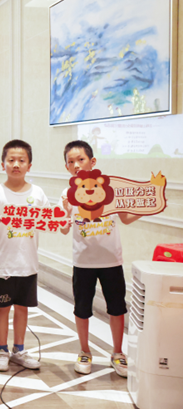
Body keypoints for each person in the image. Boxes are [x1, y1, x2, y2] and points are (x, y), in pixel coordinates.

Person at [59, 140, 138, 378]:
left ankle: (118, 353)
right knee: (82, 309)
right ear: (66, 167)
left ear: (92, 161)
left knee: (117, 308)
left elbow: (126, 218)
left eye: (80, 159)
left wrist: (149, 208)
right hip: (83, 263)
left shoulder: (110, 190)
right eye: (70, 162)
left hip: (112, 261)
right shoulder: (67, 194)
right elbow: (63, 229)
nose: (76, 165)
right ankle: (84, 351)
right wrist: (65, 212)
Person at [0, 139, 49, 372]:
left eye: (21, 160)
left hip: (27, 264)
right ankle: (2, 350)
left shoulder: (37, 193)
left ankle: (19, 350)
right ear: (3, 164)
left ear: (30, 165)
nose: (16, 164)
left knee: (22, 308)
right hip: (3, 265)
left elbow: (49, 220)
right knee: (2, 309)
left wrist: (64, 214)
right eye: (11, 160)